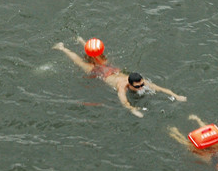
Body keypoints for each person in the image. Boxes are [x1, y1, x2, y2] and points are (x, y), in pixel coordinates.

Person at [53, 37, 187, 118]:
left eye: (141, 85)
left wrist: (176, 96)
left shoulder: (142, 82)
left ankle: (82, 41)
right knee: (80, 62)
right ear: (130, 84)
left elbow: (161, 89)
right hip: (102, 74)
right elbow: (123, 101)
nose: (141, 87)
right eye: (138, 86)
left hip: (112, 69)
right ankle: (62, 48)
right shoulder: (122, 86)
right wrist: (133, 110)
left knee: (97, 55)